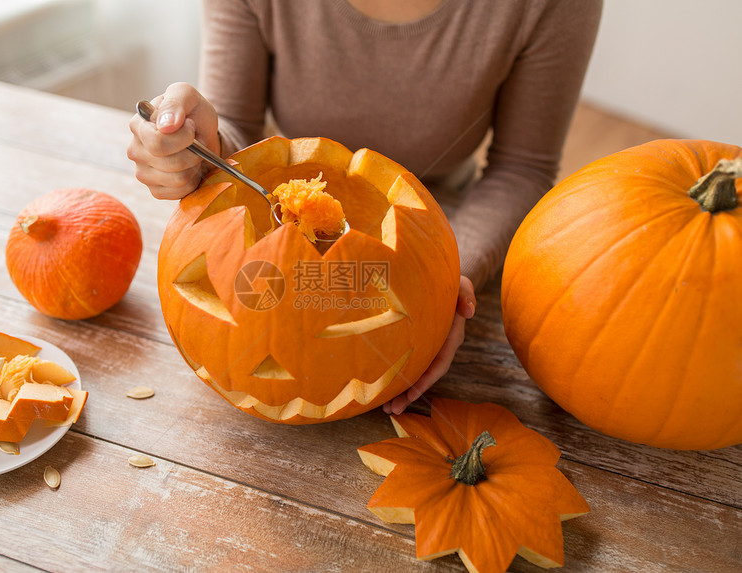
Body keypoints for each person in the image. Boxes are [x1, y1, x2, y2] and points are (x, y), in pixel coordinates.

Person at [127, 0, 602, 415]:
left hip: (452, 223)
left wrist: (447, 282)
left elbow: (522, 167)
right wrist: (200, 149)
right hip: (265, 223)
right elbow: (234, 129)